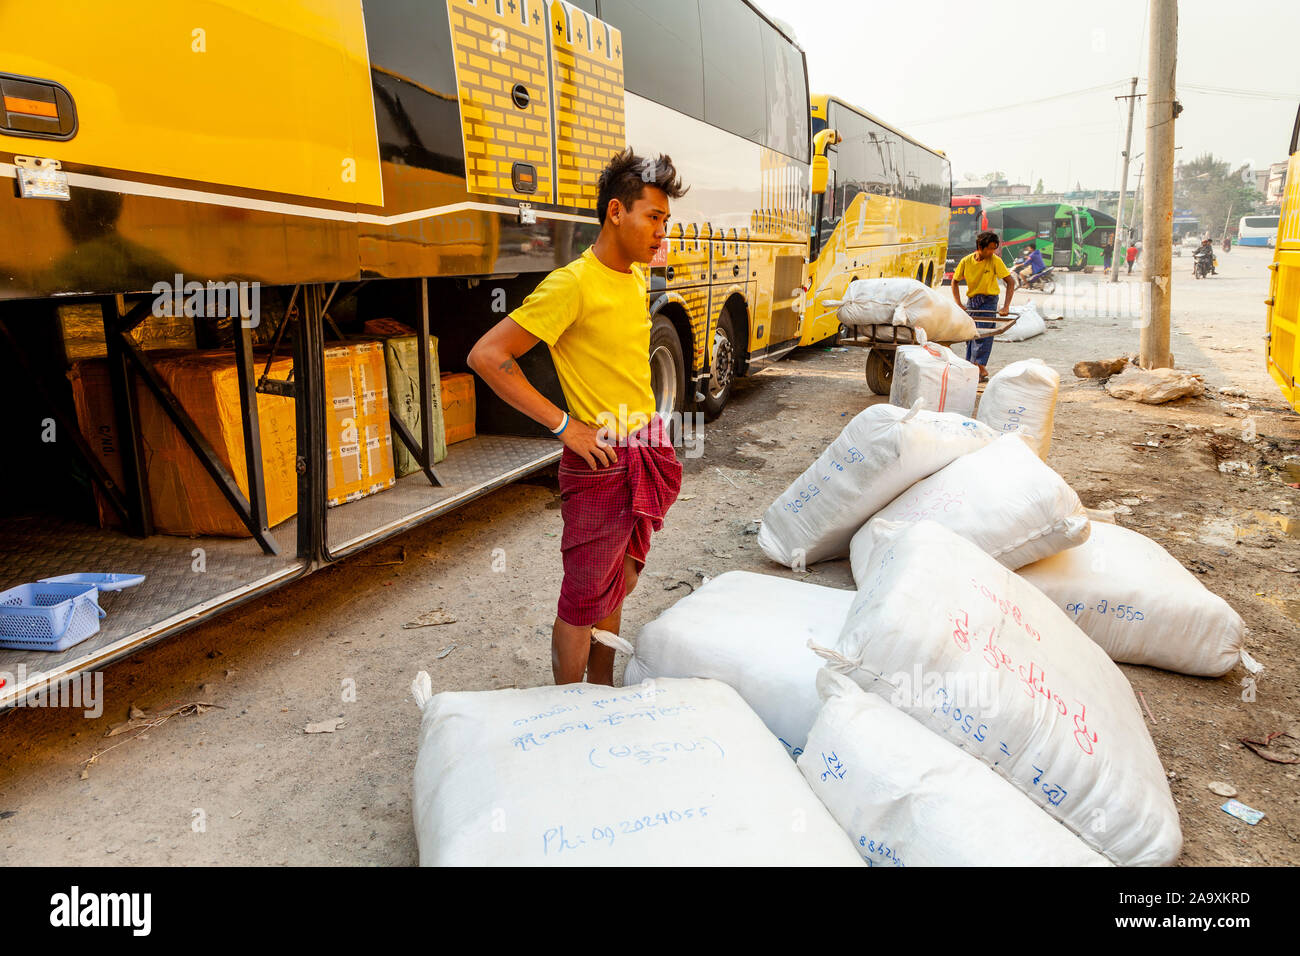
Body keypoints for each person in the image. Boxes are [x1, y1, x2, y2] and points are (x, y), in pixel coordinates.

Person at [467, 148, 687, 685]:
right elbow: (488, 358)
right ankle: (567, 708)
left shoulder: (634, 279)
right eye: (653, 217)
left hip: (643, 449)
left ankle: (602, 688)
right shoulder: (572, 284)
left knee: (622, 578)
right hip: (601, 463)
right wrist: (567, 427)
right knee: (583, 597)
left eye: (666, 220)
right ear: (616, 212)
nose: (662, 232)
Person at [951, 230, 1014, 382]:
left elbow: (1010, 282)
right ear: (980, 246)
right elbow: (955, 282)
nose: (992, 251)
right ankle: (972, 366)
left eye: (994, 248)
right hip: (972, 301)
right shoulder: (966, 261)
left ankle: (979, 366)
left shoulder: (995, 260)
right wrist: (959, 304)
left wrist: (1005, 307)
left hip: (989, 300)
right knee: (970, 334)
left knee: (983, 334)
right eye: (990, 248)